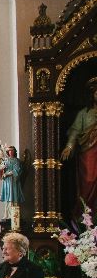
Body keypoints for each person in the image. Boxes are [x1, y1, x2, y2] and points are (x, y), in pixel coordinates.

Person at [61, 83, 97, 211]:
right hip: (89, 151)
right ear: (92, 95)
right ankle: (86, 214)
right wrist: (69, 146)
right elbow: (75, 131)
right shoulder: (84, 113)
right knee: (89, 180)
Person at [0, 144, 25, 218]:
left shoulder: (16, 160)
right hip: (7, 181)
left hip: (13, 180)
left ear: (14, 152)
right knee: (7, 197)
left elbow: (17, 170)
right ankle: (7, 214)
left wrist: (8, 173)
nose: (10, 152)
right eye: (9, 151)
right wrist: (1, 170)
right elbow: (0, 169)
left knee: (14, 195)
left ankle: (14, 215)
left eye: (12, 151)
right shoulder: (5, 160)